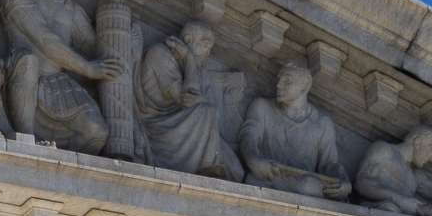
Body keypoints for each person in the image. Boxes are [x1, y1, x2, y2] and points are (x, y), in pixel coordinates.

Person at [0, 0, 116, 149]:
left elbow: (98, 50)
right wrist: (88, 69)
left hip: (57, 85)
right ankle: (26, 141)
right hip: (20, 76)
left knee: (97, 131)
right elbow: (44, 39)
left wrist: (110, 6)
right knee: (29, 61)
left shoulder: (73, 11)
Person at [133, 19, 243, 177]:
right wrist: (189, 58)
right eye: (205, 45)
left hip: (183, 124)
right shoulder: (160, 54)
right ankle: (206, 170)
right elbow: (188, 98)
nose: (208, 54)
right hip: (157, 126)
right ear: (188, 41)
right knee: (206, 112)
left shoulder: (192, 70)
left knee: (235, 169)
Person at [238, 60, 352, 198]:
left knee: (309, 186)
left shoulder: (322, 124)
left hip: (305, 185)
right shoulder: (262, 107)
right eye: (279, 80)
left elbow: (329, 164)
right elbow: (248, 137)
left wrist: (343, 182)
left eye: (287, 81)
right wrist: (253, 160)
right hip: (266, 179)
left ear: (304, 87)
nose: (278, 85)